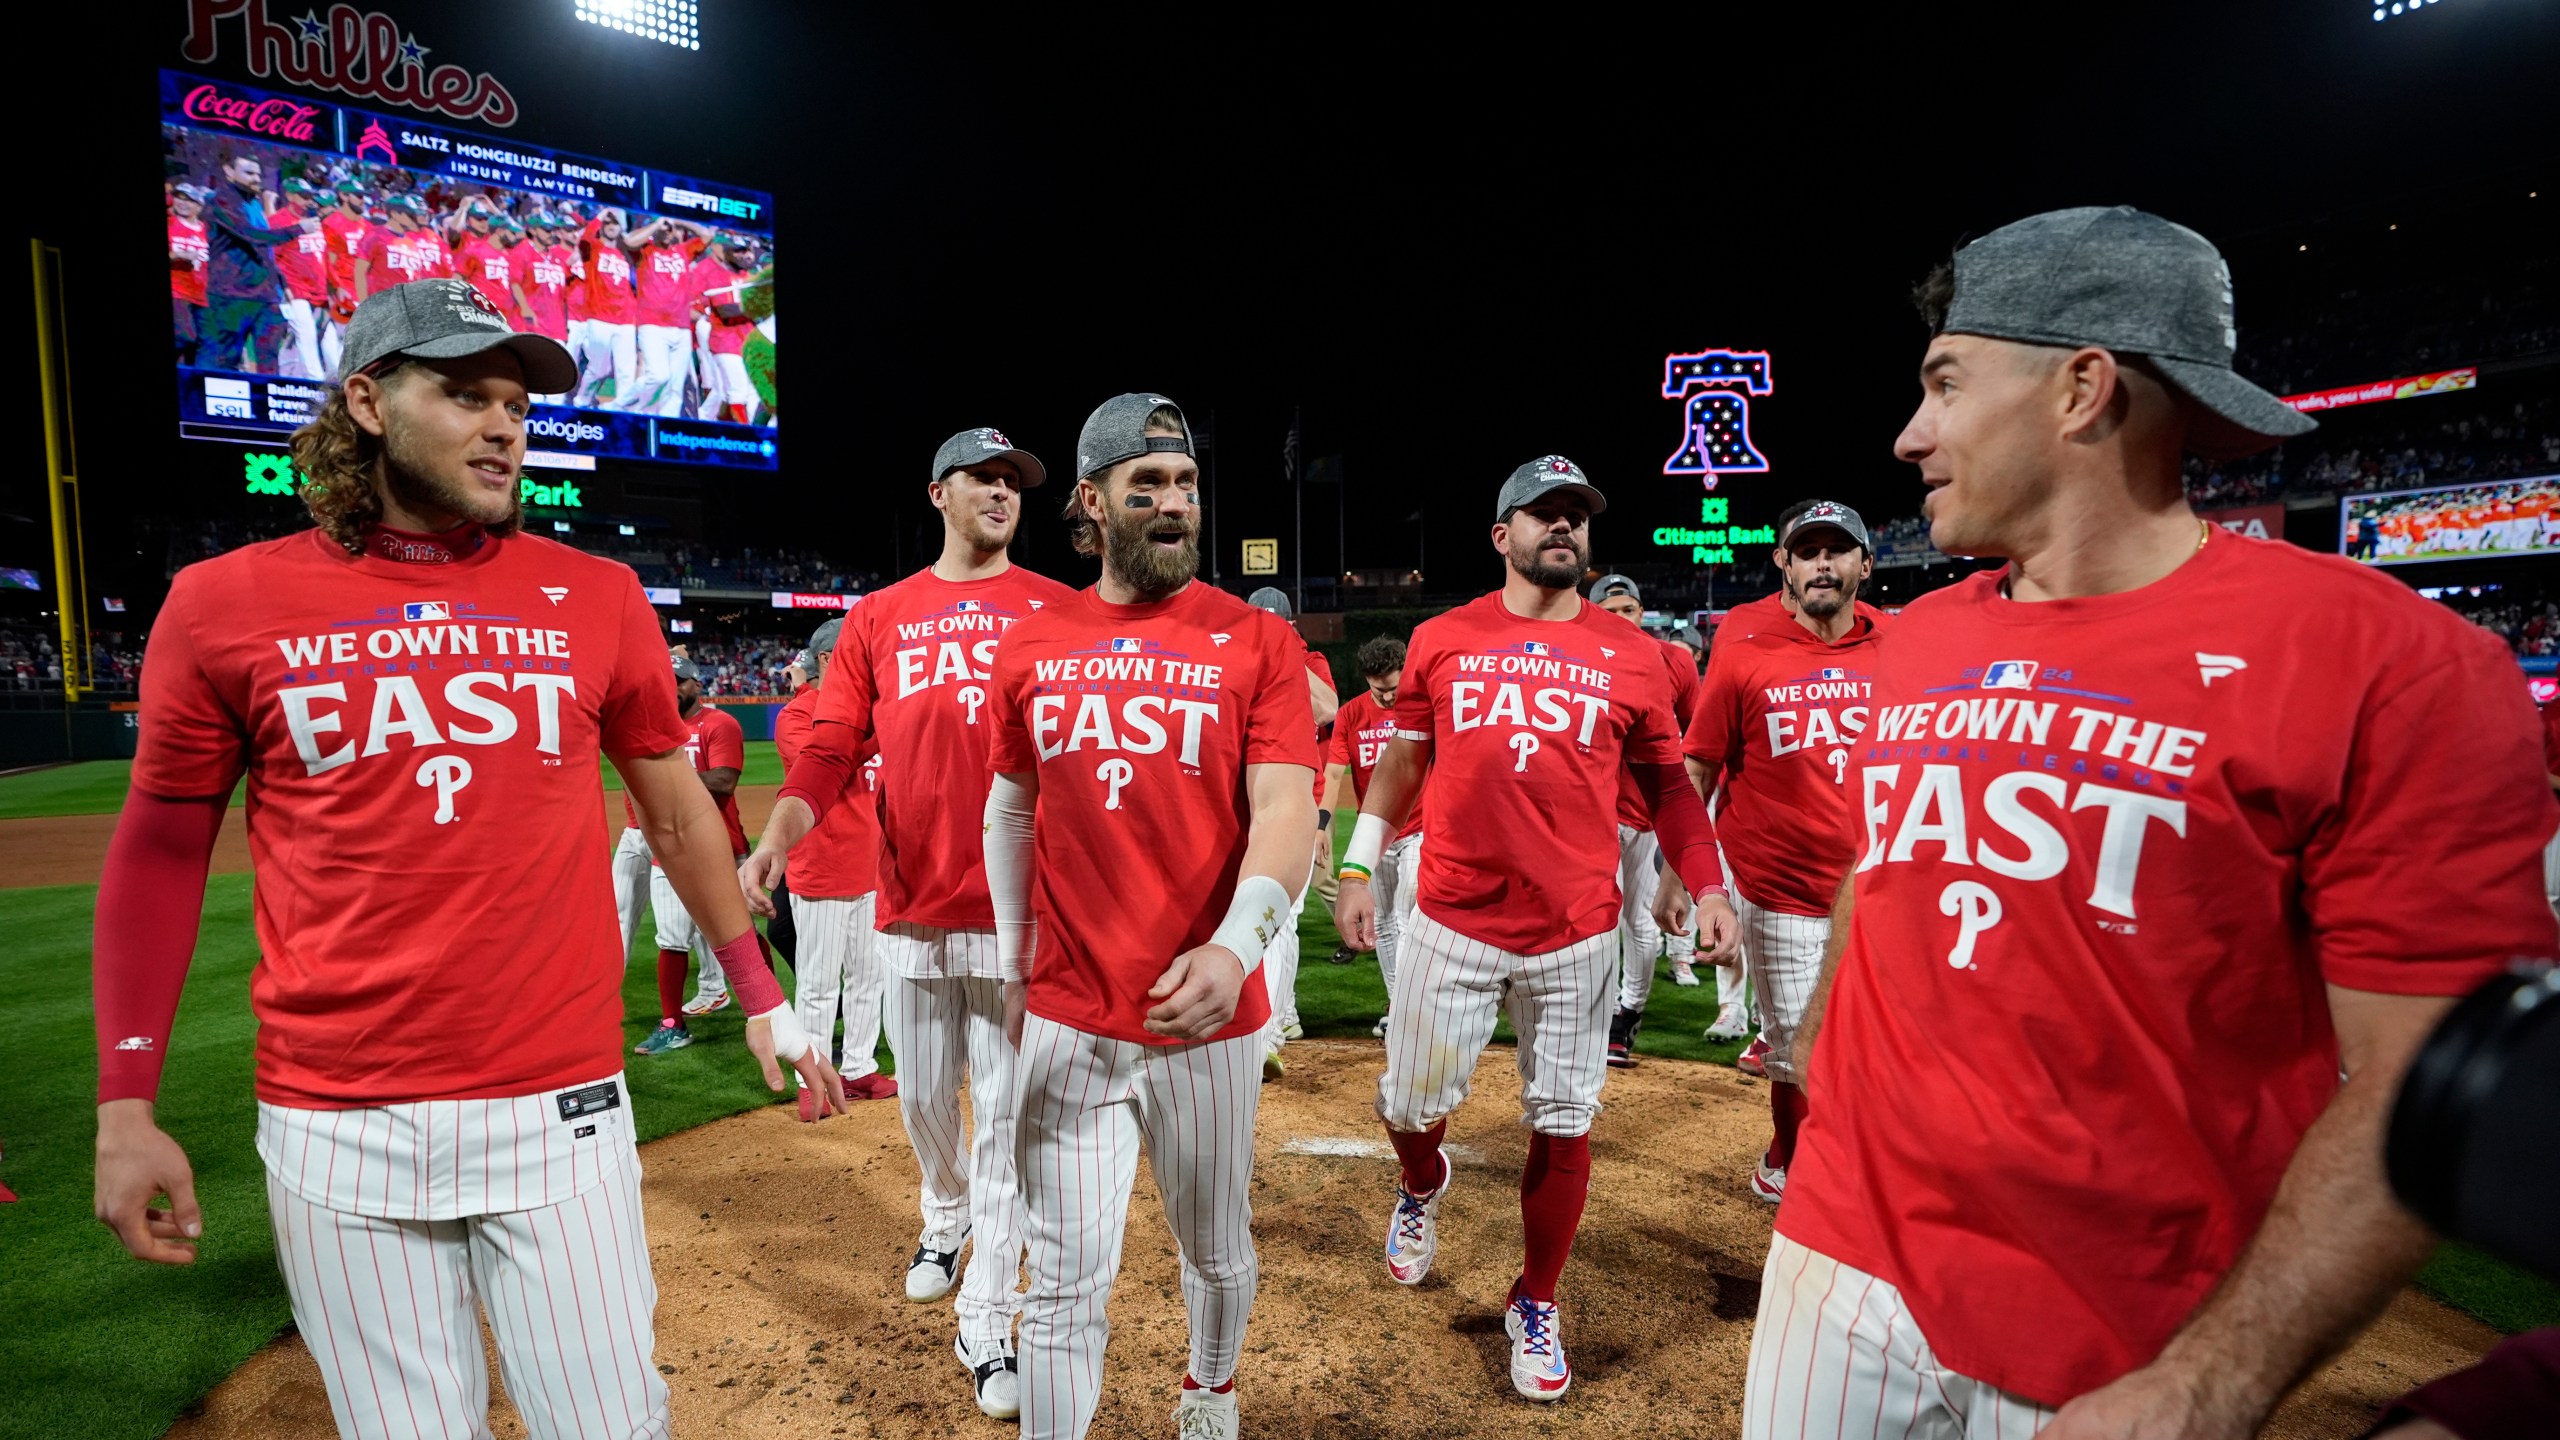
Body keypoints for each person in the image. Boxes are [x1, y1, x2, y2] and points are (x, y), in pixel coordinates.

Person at [1743, 206, 2560, 1440]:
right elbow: (1887, 860)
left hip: (2131, 1325)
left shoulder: (2387, 662)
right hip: (1841, 1250)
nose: (1911, 434)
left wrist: (2214, 1379)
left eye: (1945, 383)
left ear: (2080, 390)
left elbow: (2421, 1078)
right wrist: (1813, 1035)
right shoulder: (1918, 642)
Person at [91, 277, 846, 1440]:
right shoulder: (220, 604)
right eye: (464, 394)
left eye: (517, 403)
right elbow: (157, 851)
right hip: (335, 1119)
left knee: (612, 1425)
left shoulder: (593, 595)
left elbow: (682, 814)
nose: (506, 424)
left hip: (559, 1103)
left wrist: (760, 995)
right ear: (369, 404)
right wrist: (125, 1098)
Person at [1336, 455, 1739, 1403]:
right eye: (1543, 514)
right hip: (1451, 918)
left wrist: (1706, 880)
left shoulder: (1635, 653)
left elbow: (1670, 789)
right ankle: (1420, 1182)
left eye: (1577, 516)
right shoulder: (1442, 636)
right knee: (1408, 1106)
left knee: (1563, 1121)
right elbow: (1399, 762)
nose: (1564, 527)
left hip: (1576, 932)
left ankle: (1536, 1297)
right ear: (1501, 535)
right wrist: (1358, 863)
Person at [979, 393, 1316, 1440]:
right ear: (1092, 501)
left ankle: (1210, 1390)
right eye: (1148, 485)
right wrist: (1015, 956)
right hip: (1072, 1014)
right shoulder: (1031, 641)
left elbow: (1285, 812)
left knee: (1213, 1246)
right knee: (1066, 1277)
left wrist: (1235, 945)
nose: (1174, 504)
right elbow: (1012, 805)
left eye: (1185, 485)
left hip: (1206, 1013)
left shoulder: (1258, 641)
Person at [749, 426, 1076, 1421]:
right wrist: (778, 830)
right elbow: (830, 749)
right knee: (928, 1100)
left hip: (1025, 922)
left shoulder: (1056, 609)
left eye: (1014, 482)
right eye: (983, 477)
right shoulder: (880, 617)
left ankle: (988, 1320)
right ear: (938, 493)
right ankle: (943, 1217)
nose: (1002, 492)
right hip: (913, 911)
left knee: (1010, 1132)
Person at [1659, 500, 1883, 1204]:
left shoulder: (1903, 649)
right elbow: (1696, 768)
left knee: (1875, 1047)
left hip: (1879, 888)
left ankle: (1817, 1156)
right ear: (1783, 562)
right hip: (1780, 888)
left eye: (1838, 550)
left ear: (1863, 565)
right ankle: (1794, 1164)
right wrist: (1680, 875)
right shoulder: (1745, 654)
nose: (1823, 562)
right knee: (1792, 1048)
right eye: (1808, 550)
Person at [768, 617, 898, 1111]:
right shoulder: (798, 714)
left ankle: (860, 1067)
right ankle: (813, 1081)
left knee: (869, 979)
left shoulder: (871, 709)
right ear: (826, 660)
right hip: (821, 872)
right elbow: (828, 767)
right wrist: (882, 728)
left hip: (872, 869)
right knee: (820, 984)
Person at [1585, 574, 1701, 1069]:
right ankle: (1589, 1016)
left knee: (1641, 921)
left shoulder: (1674, 660)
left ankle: (1626, 1013)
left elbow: (1700, 735)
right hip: (1594, 813)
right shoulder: (1574, 655)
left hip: (1651, 816)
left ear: (1642, 612)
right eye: (1611, 611)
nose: (1623, 619)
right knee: (1591, 920)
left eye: (1629, 609)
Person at [629, 656, 770, 1055]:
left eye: (677, 681)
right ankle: (673, 1024)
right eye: (663, 680)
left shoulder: (719, 724)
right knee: (671, 941)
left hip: (724, 849)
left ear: (694, 685)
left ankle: (767, 1012)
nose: (669, 688)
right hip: (669, 851)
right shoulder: (655, 727)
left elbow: (723, 781)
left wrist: (664, 774)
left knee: (743, 934)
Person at [1241, 585, 1340, 1081]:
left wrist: (1280, 649)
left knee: (1279, 917)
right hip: (1242, 804)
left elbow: (1326, 708)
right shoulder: (1233, 655)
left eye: (1272, 623)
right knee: (1244, 917)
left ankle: (1268, 1037)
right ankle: (1285, 1015)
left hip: (1295, 803)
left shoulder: (1310, 661)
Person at [1322, 633, 1426, 1039]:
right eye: (1378, 690)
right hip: (1377, 832)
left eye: (1393, 689)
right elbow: (1333, 772)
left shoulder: (1422, 709)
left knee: (1405, 915)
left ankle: (1407, 1011)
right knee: (1381, 922)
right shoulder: (1351, 714)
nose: (1386, 699)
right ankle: (1400, 1007)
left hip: (1421, 828)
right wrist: (1321, 824)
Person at [197, 151, 318, 372]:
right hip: (231, 294)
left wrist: (281, 285)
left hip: (264, 295)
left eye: (258, 174)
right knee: (227, 360)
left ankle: (266, 405)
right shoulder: (220, 199)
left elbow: (265, 250)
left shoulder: (253, 202)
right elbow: (251, 235)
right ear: (229, 171)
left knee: (270, 360)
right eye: (249, 173)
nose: (256, 178)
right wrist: (300, 228)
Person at [618, 215, 710, 416]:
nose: (670, 233)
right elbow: (628, 241)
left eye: (672, 230)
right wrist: (657, 224)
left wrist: (680, 221)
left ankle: (665, 428)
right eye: (666, 229)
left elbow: (706, 235)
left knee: (675, 388)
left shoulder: (683, 251)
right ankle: (625, 408)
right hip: (652, 324)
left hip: (681, 327)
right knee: (658, 376)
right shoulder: (645, 251)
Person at [267, 177, 336, 379]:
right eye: (303, 196)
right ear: (289, 195)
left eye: (309, 197)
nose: (308, 201)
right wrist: (284, 289)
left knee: (329, 342)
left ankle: (336, 388)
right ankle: (314, 385)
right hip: (295, 290)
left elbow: (324, 257)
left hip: (320, 291)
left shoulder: (315, 221)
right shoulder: (278, 221)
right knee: (306, 337)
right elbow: (273, 259)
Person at [689, 233, 762, 423]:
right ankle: (746, 437)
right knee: (736, 391)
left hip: (746, 341)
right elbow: (725, 310)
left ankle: (716, 424)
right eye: (738, 251)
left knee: (747, 391)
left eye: (746, 250)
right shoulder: (717, 275)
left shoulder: (749, 277)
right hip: (725, 341)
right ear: (728, 252)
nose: (744, 255)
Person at [575, 208, 641, 409]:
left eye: (616, 223)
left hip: (626, 319)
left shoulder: (627, 254)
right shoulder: (593, 248)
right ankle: (582, 401)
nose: (612, 226)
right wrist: (603, 213)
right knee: (599, 368)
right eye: (608, 223)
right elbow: (584, 238)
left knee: (626, 371)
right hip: (599, 316)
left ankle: (622, 412)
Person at [355, 194, 451, 301]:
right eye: (409, 214)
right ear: (395, 214)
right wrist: (363, 306)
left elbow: (416, 278)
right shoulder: (374, 235)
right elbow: (359, 272)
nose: (413, 218)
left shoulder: (412, 242)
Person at [169, 184, 211, 366]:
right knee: (185, 336)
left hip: (203, 295)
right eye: (179, 197)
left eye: (189, 200)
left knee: (201, 343)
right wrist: (176, 255)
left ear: (199, 206)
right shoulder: (170, 223)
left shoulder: (208, 230)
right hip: (177, 291)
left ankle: (191, 383)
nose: (182, 203)